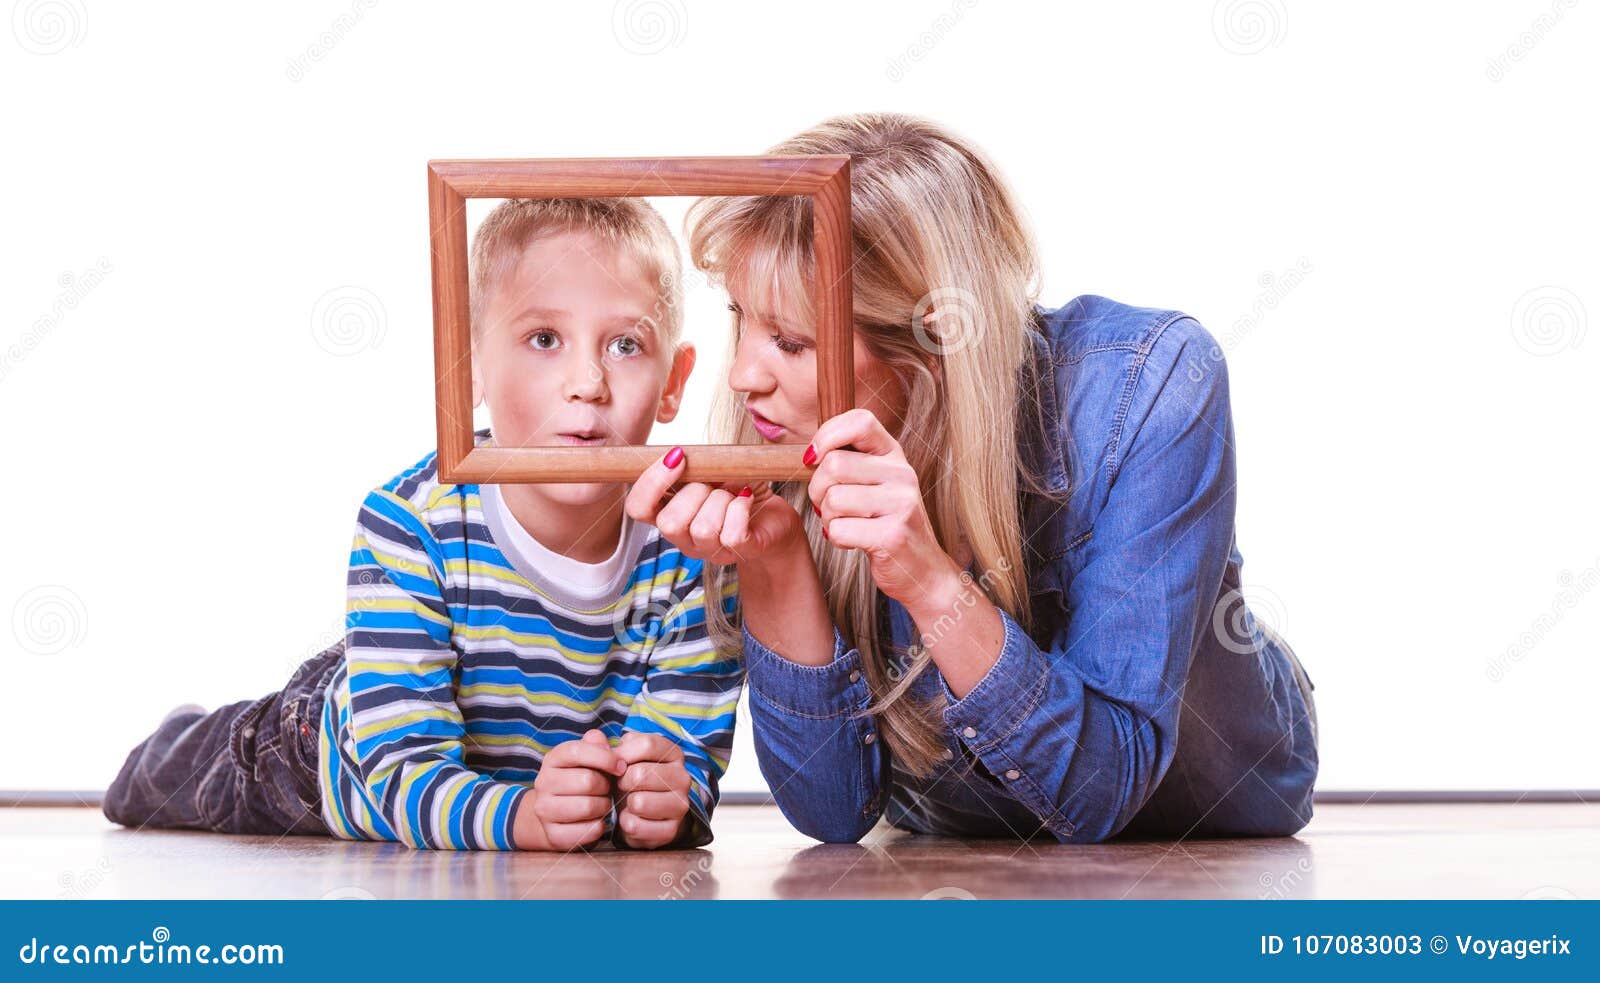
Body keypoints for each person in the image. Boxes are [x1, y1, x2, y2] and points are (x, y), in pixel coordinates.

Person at [626, 112, 1319, 843]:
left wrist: (928, 584)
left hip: (1214, 801)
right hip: (954, 824)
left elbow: (1103, 791)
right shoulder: (781, 440)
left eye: (792, 342)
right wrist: (777, 562)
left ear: (930, 345)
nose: (741, 377)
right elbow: (832, 816)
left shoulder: (1152, 381)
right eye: (744, 319)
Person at [102, 197, 742, 851]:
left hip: (523, 787)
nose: (587, 382)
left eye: (626, 345)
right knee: (174, 780)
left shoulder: (698, 546)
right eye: (544, 339)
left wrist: (666, 800)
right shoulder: (411, 522)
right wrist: (521, 819)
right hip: (330, 754)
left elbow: (688, 765)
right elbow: (402, 769)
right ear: (471, 366)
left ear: (674, 380)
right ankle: (176, 740)